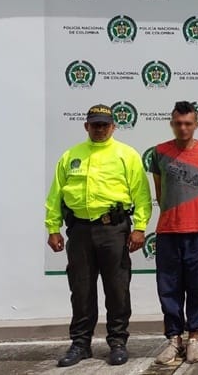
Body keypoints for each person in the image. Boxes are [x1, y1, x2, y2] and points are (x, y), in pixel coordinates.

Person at [45, 104, 152, 367]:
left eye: (105, 124)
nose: (100, 129)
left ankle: (118, 342)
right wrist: (52, 228)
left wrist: (140, 227)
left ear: (113, 127)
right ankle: (80, 344)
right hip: (79, 231)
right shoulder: (70, 155)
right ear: (86, 126)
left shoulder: (126, 155)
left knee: (117, 288)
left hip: (113, 229)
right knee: (81, 289)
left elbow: (141, 194)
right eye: (95, 124)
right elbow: (56, 195)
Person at [150, 101, 198, 365]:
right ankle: (173, 339)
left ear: (196, 124)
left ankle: (193, 339)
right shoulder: (159, 152)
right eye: (178, 123)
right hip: (168, 232)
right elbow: (159, 192)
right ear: (172, 123)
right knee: (168, 289)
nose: (183, 128)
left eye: (188, 123)